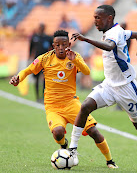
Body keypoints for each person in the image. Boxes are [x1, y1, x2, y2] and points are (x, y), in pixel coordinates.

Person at [69, 5, 137, 166]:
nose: (95, 21)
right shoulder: (119, 30)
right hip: (109, 85)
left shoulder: (115, 33)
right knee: (85, 107)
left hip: (126, 87)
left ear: (109, 18)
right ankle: (72, 150)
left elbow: (110, 46)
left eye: (98, 17)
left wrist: (86, 39)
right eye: (94, 17)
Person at [9, 30, 118, 169]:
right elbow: (28, 70)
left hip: (71, 104)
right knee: (58, 132)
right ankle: (64, 146)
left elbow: (87, 72)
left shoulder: (74, 57)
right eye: (57, 45)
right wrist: (18, 78)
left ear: (69, 44)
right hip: (53, 106)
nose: (61, 48)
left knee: (93, 132)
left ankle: (109, 161)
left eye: (64, 44)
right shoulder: (45, 58)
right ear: (53, 45)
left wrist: (76, 60)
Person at [29, 23, 53, 102]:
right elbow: (31, 49)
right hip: (36, 61)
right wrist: (30, 59)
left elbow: (52, 48)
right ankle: (37, 97)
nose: (41, 29)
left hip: (45, 61)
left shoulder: (48, 38)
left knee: (44, 79)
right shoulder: (35, 37)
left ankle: (43, 96)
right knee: (36, 79)